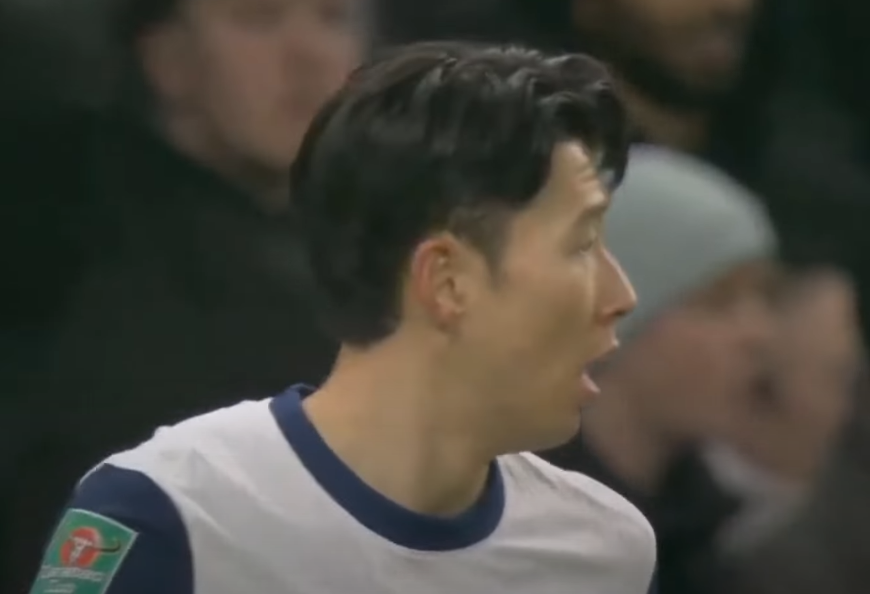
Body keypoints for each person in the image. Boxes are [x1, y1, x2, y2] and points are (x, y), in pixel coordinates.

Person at [27, 42, 655, 594]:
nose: (621, 294)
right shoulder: (169, 514)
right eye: (582, 244)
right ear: (446, 280)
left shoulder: (605, 551)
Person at [1, 0, 361, 589]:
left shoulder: (396, 243)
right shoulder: (71, 254)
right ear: (167, 60)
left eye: (333, 17)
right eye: (258, 19)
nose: (310, 54)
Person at [541, 145, 778, 594]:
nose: (760, 334)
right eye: (720, 302)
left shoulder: (711, 540)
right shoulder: (524, 539)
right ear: (613, 314)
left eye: (765, 296)